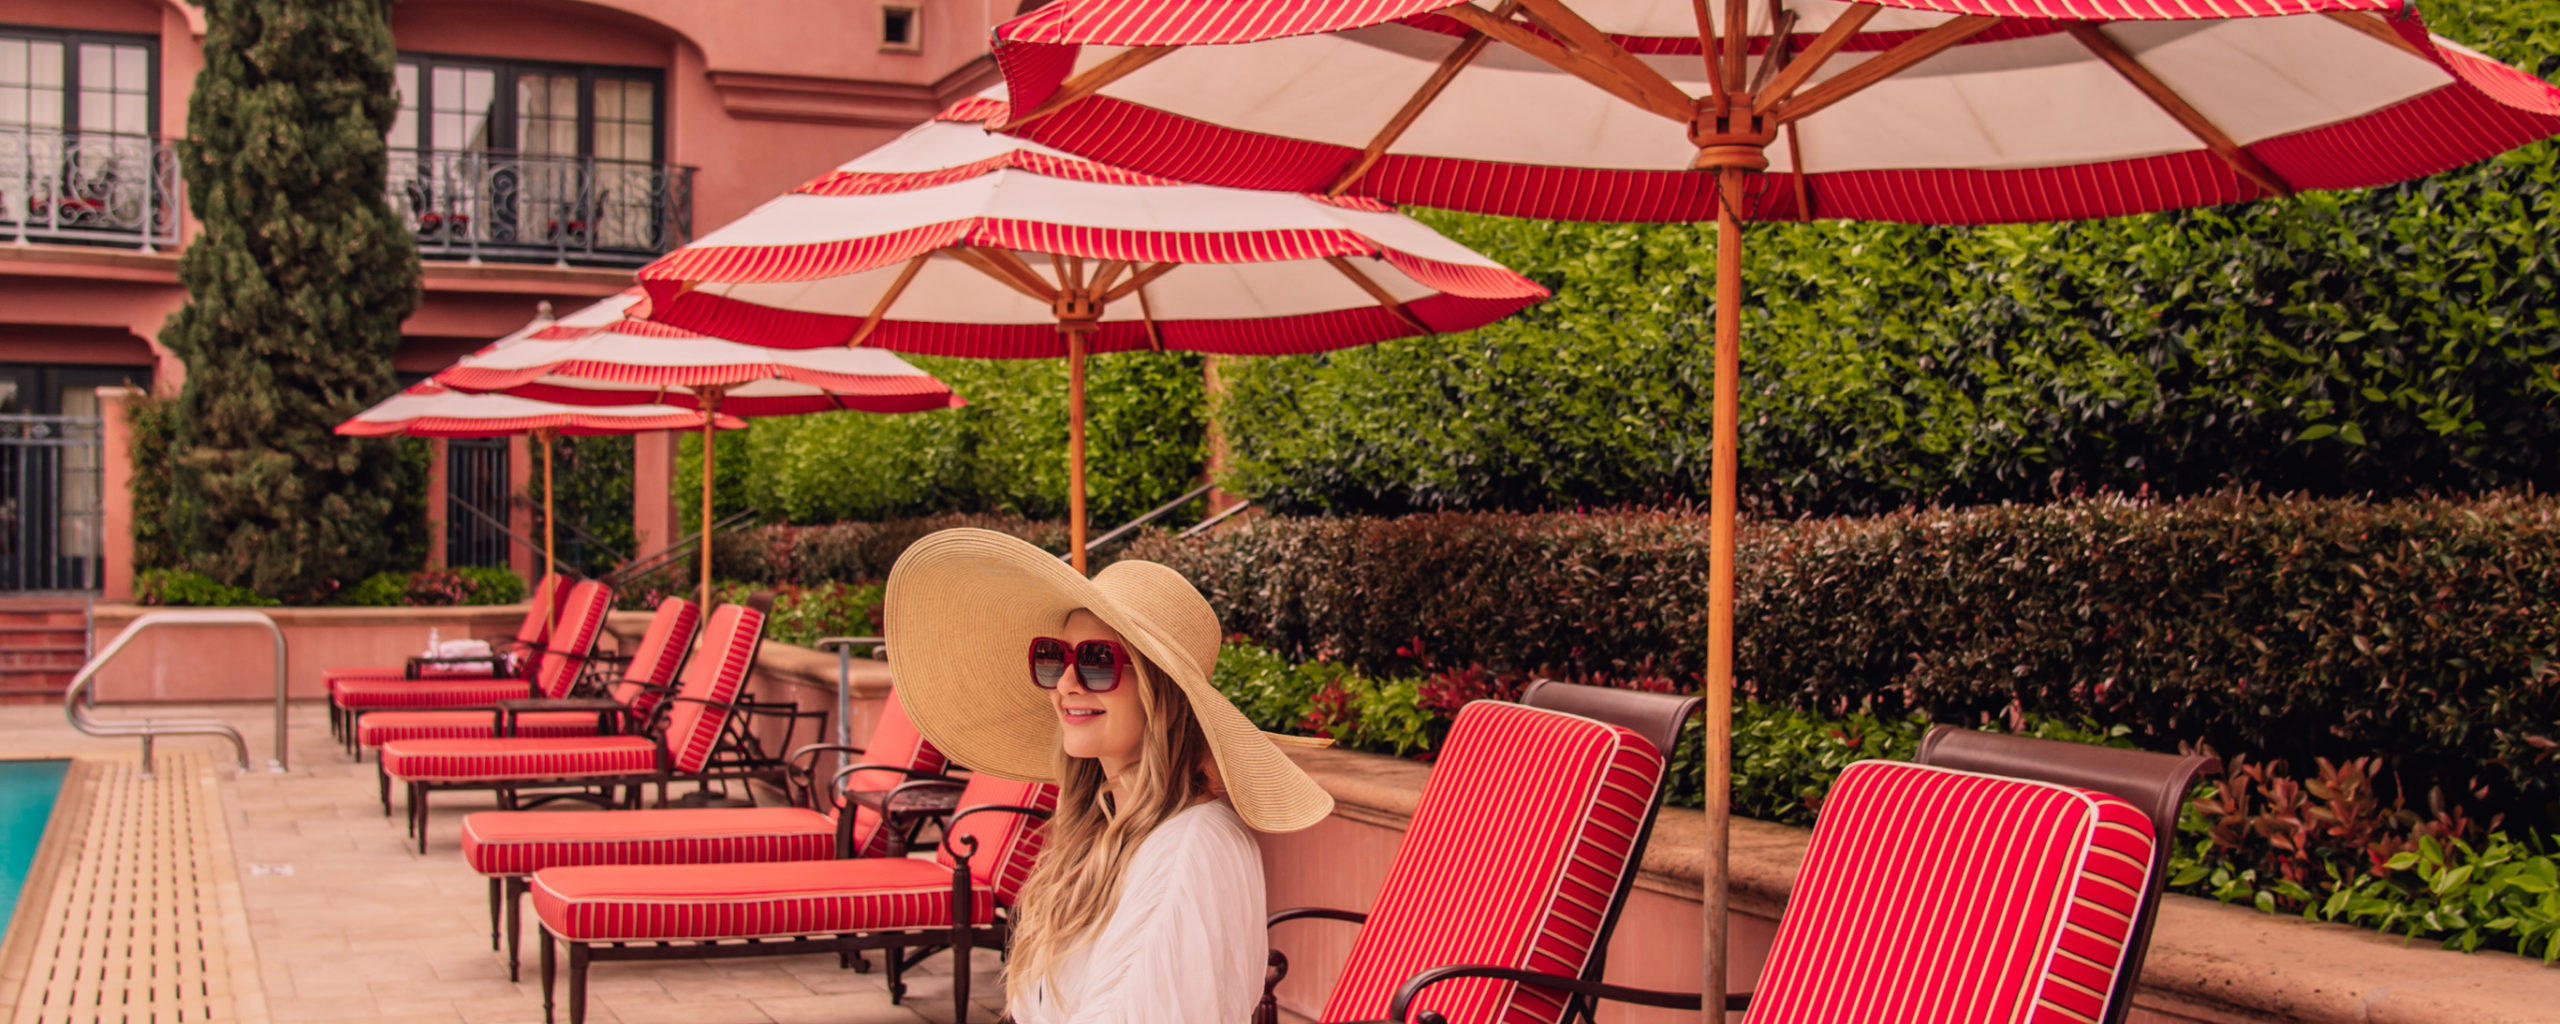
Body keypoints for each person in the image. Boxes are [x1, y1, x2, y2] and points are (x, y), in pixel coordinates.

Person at [884, 528, 1335, 1024]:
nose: (1068, 684)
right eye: (1055, 660)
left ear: (1161, 693)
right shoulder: (1107, 828)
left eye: (1099, 662)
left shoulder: (1187, 850)